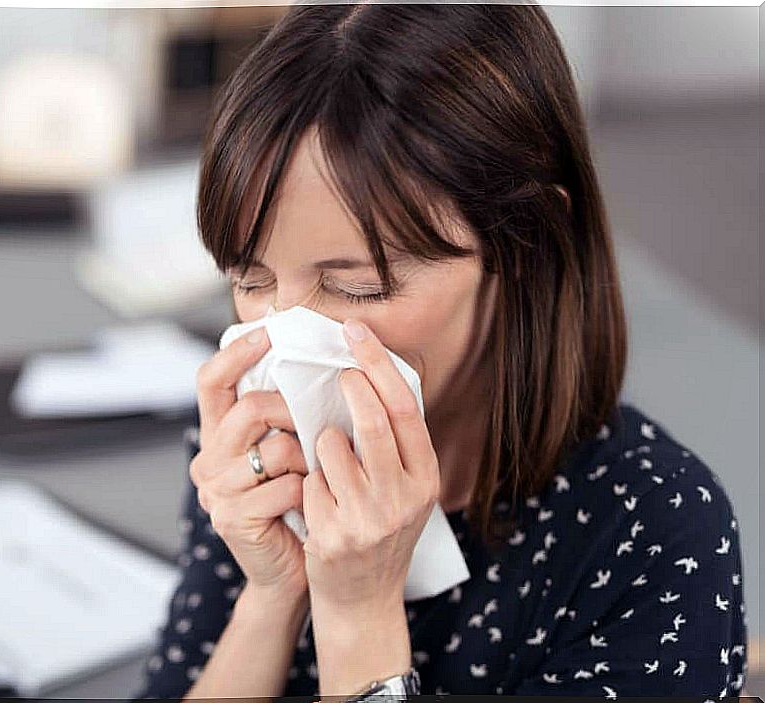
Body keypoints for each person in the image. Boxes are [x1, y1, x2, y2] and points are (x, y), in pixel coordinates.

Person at [131, 3, 748, 699]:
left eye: (356, 286)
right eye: (251, 278)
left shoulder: (652, 524)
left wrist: (358, 610)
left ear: (526, 246)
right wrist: (272, 595)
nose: (285, 337)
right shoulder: (255, 444)